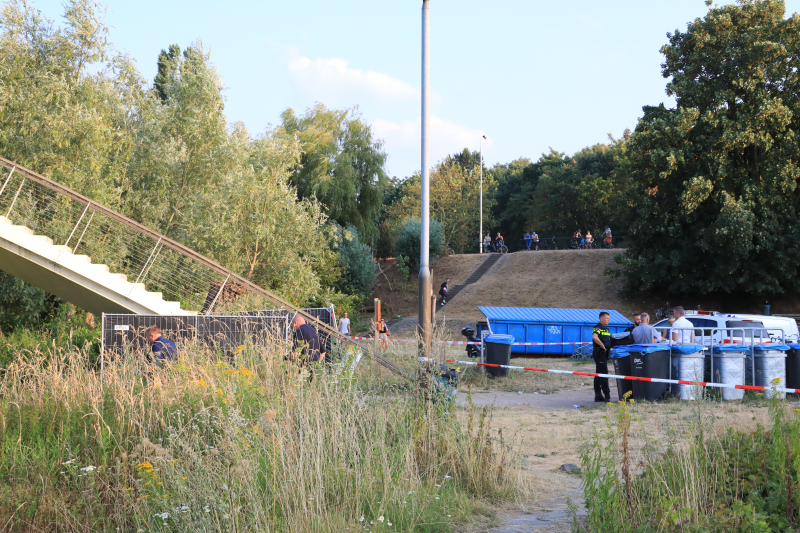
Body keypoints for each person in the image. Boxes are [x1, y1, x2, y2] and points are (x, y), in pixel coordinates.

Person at [592, 311, 612, 402]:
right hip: (599, 353)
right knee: (604, 374)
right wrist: (602, 345)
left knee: (598, 374)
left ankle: (598, 394)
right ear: (601, 318)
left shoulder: (607, 329)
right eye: (607, 318)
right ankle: (607, 395)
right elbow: (595, 337)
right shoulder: (598, 327)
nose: (608, 320)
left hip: (605, 355)